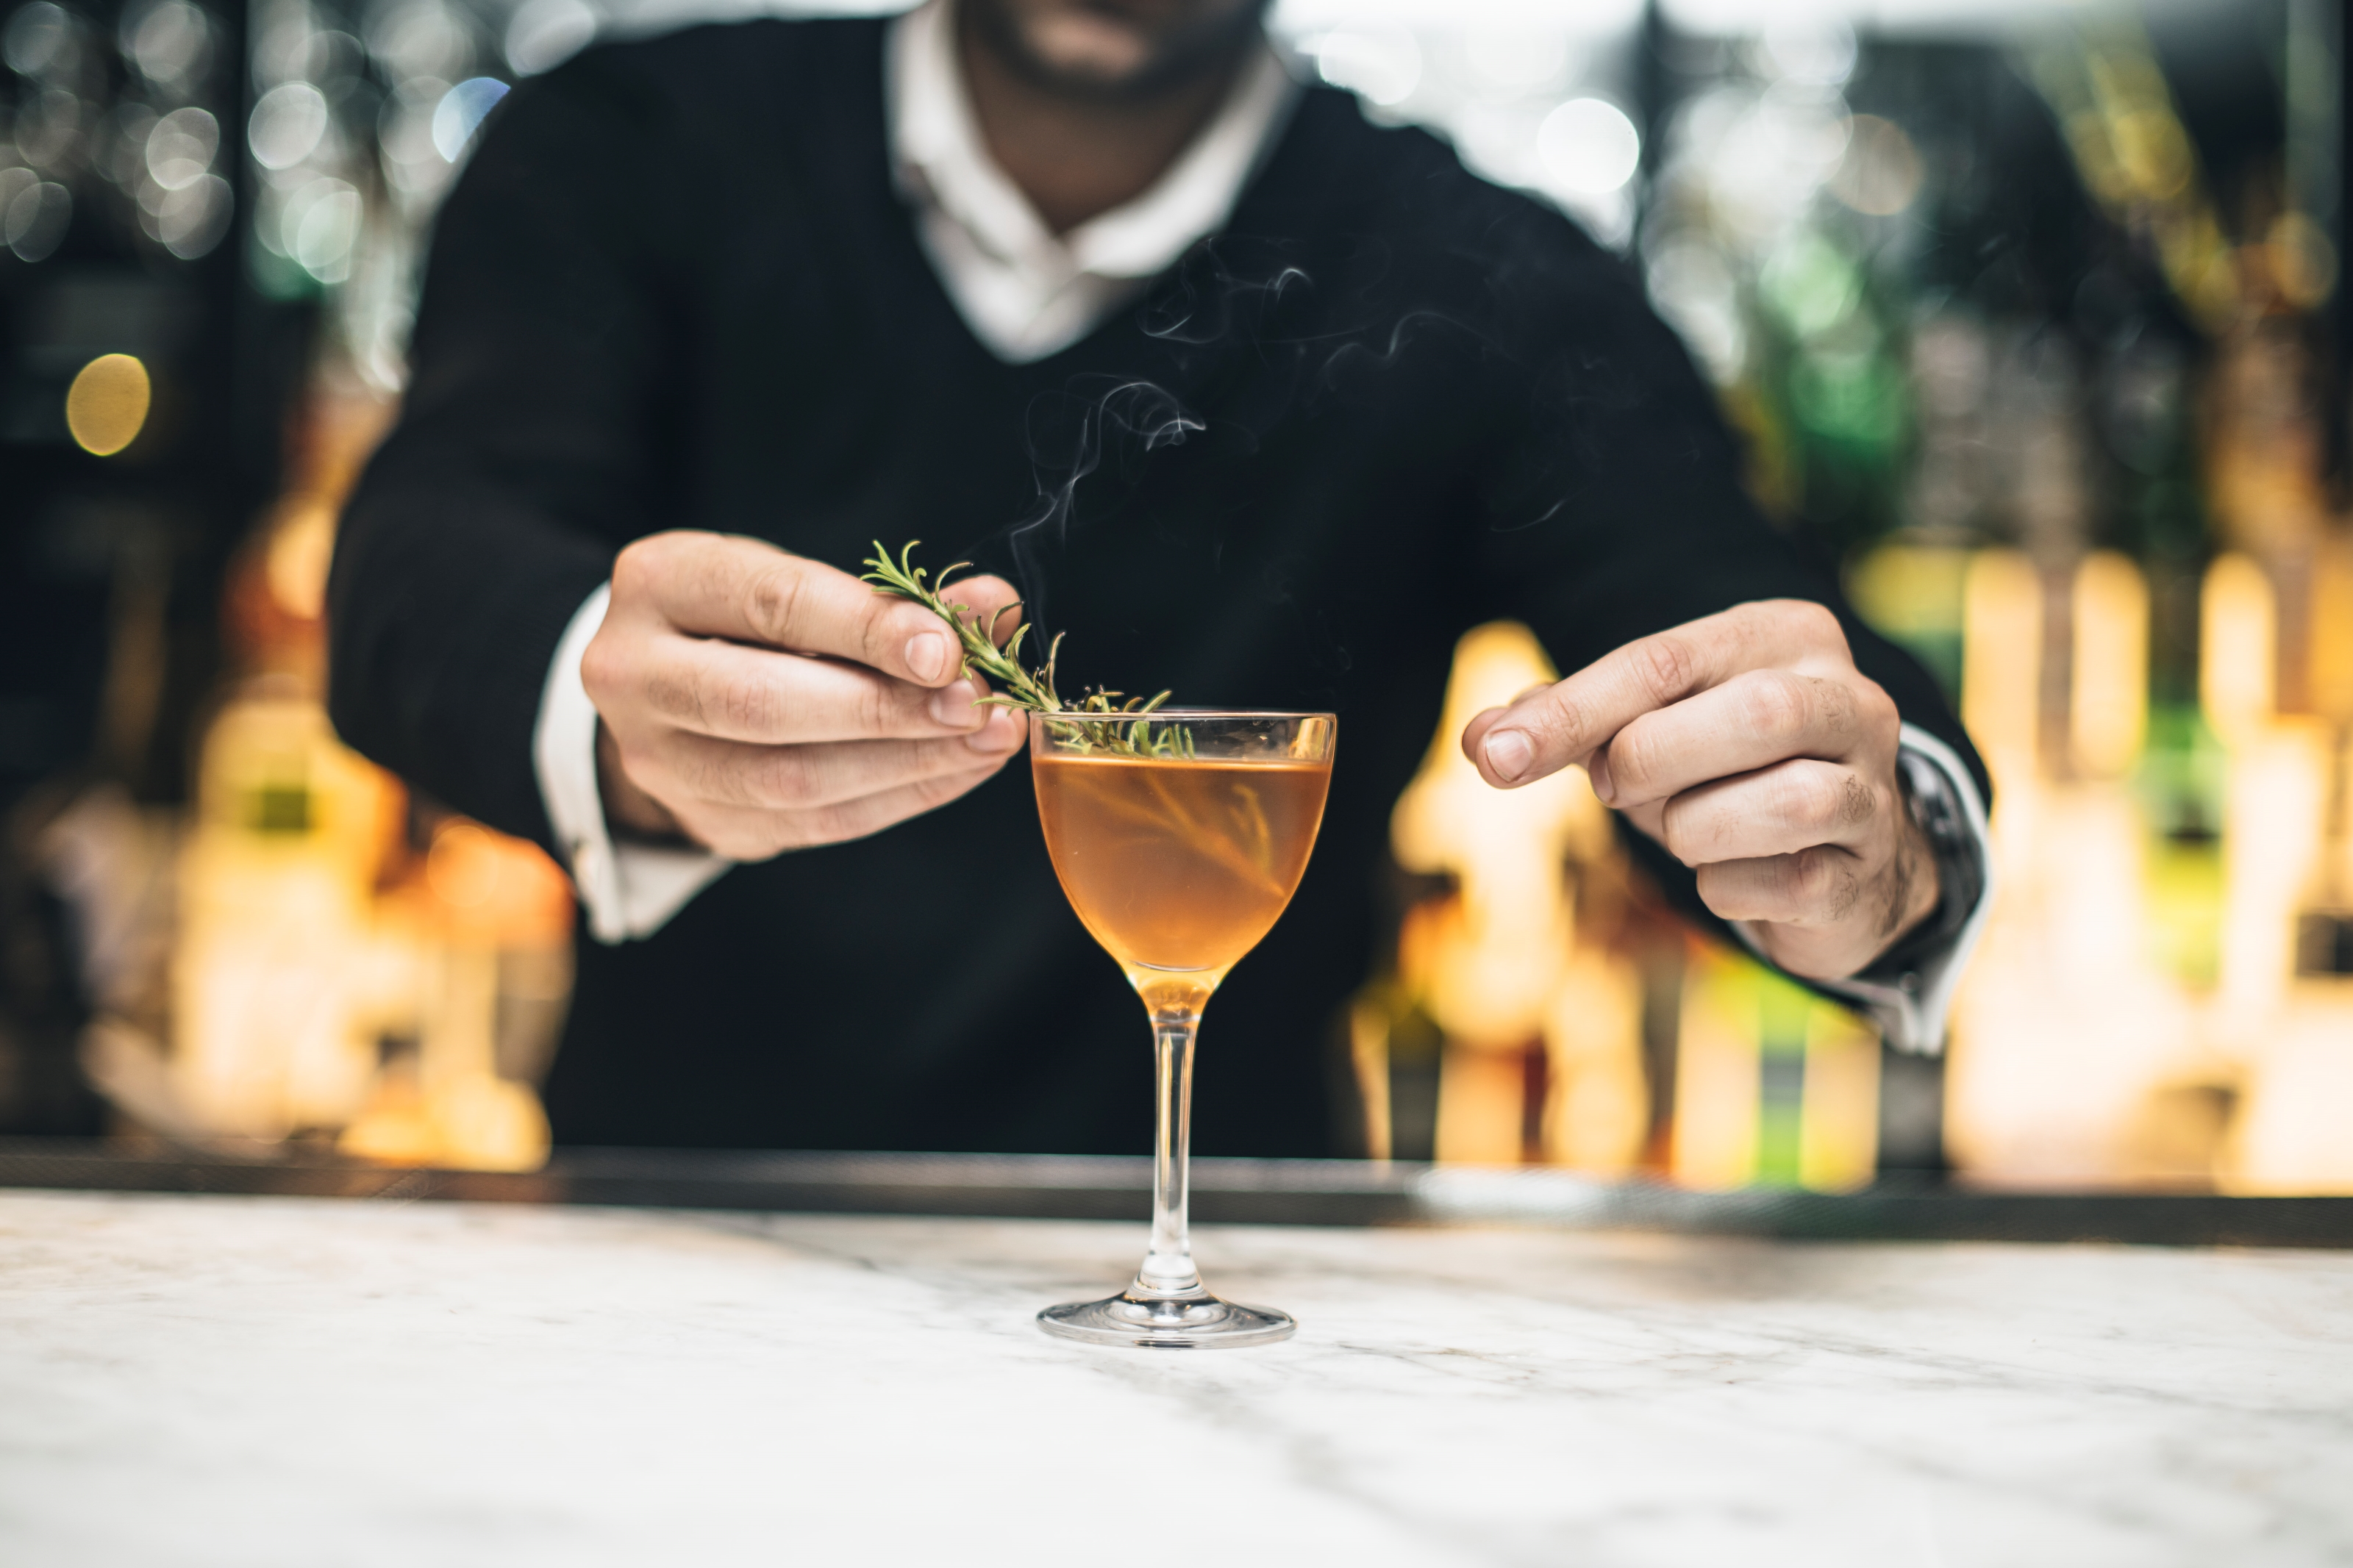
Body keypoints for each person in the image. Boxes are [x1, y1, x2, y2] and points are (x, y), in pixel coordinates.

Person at [328, 0, 1991, 1156]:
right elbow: (418, 572)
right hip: (678, 1252)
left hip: (1253, 1289)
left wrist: (1869, 841)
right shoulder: (634, 144)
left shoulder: (1484, 276)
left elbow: (1747, 625)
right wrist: (636, 732)